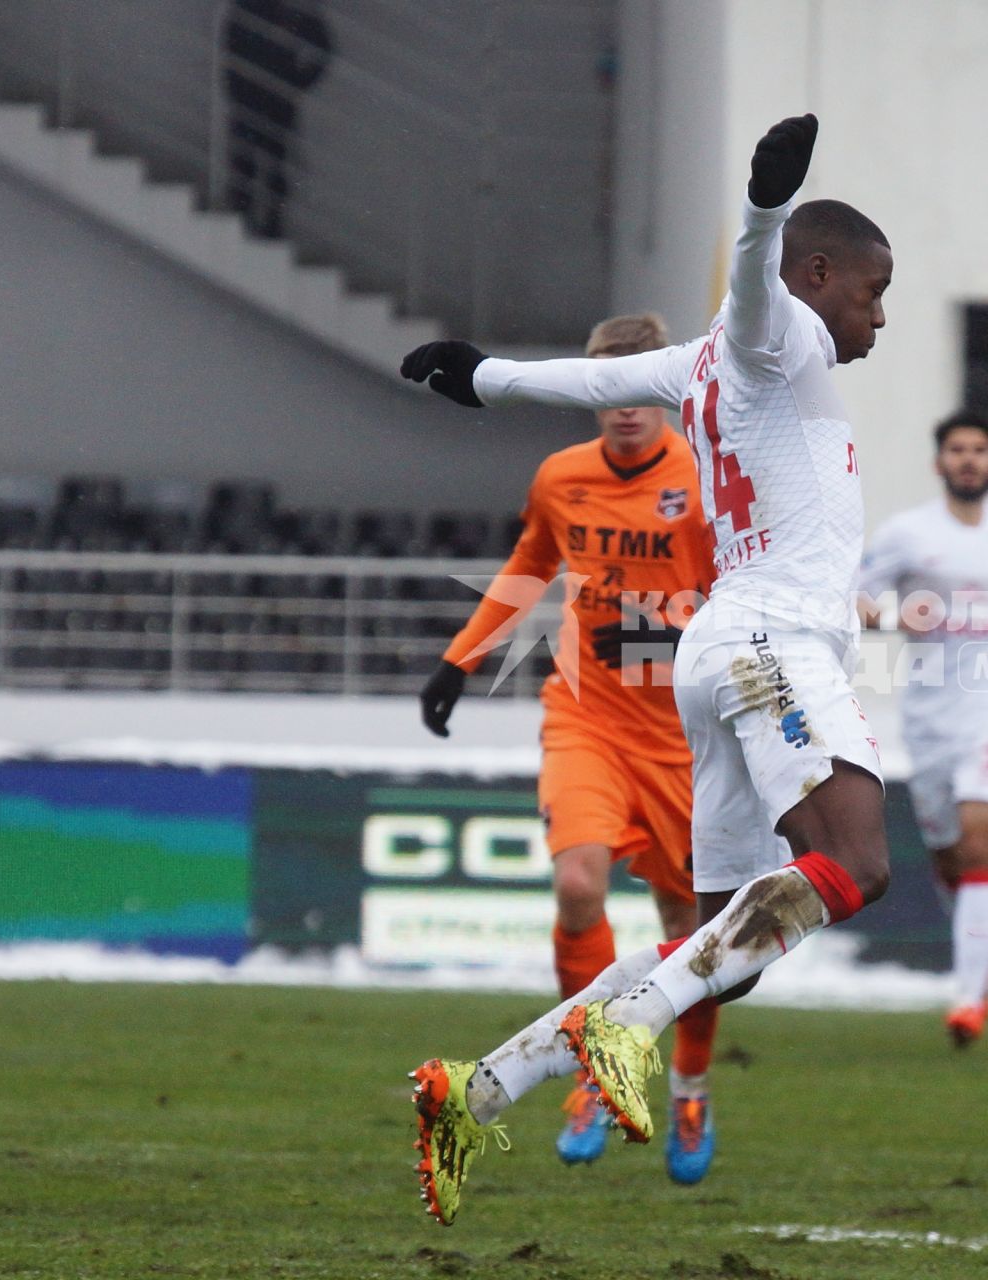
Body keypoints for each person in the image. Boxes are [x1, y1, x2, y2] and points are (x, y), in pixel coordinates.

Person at [398, 113, 894, 1226]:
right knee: (856, 861)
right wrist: (764, 208)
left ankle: (476, 1090)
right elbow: (760, 293)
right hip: (770, 648)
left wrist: (479, 378)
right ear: (819, 276)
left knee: (721, 950)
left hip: (713, 656)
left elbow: (579, 384)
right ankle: (626, 1033)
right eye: (873, 291)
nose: (878, 316)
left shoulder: (705, 364)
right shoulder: (781, 335)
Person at [417, 313, 723, 1184]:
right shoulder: (562, 477)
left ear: (660, 390)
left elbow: (739, 589)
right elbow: (526, 567)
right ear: (592, 391)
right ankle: (593, 1068)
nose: (624, 406)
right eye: (608, 387)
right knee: (577, 883)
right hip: (588, 718)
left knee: (693, 933)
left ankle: (692, 1087)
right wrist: (456, 662)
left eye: (639, 386)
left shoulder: (704, 478)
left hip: (685, 736)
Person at [858, 411, 988, 1047]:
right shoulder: (907, 534)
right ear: (939, 462)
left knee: (978, 838)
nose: (968, 460)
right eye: (957, 450)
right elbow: (857, 598)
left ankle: (970, 999)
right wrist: (893, 615)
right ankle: (982, 939)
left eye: (979, 450)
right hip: (929, 708)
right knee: (946, 851)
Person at [221, 0, 331, 239]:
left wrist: (297, 81)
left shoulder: (293, 8)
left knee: (270, 163)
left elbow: (324, 47)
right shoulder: (261, 6)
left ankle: (265, 223)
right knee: (251, 160)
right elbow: (230, 46)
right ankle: (247, 219)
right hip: (257, 97)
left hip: (270, 98)